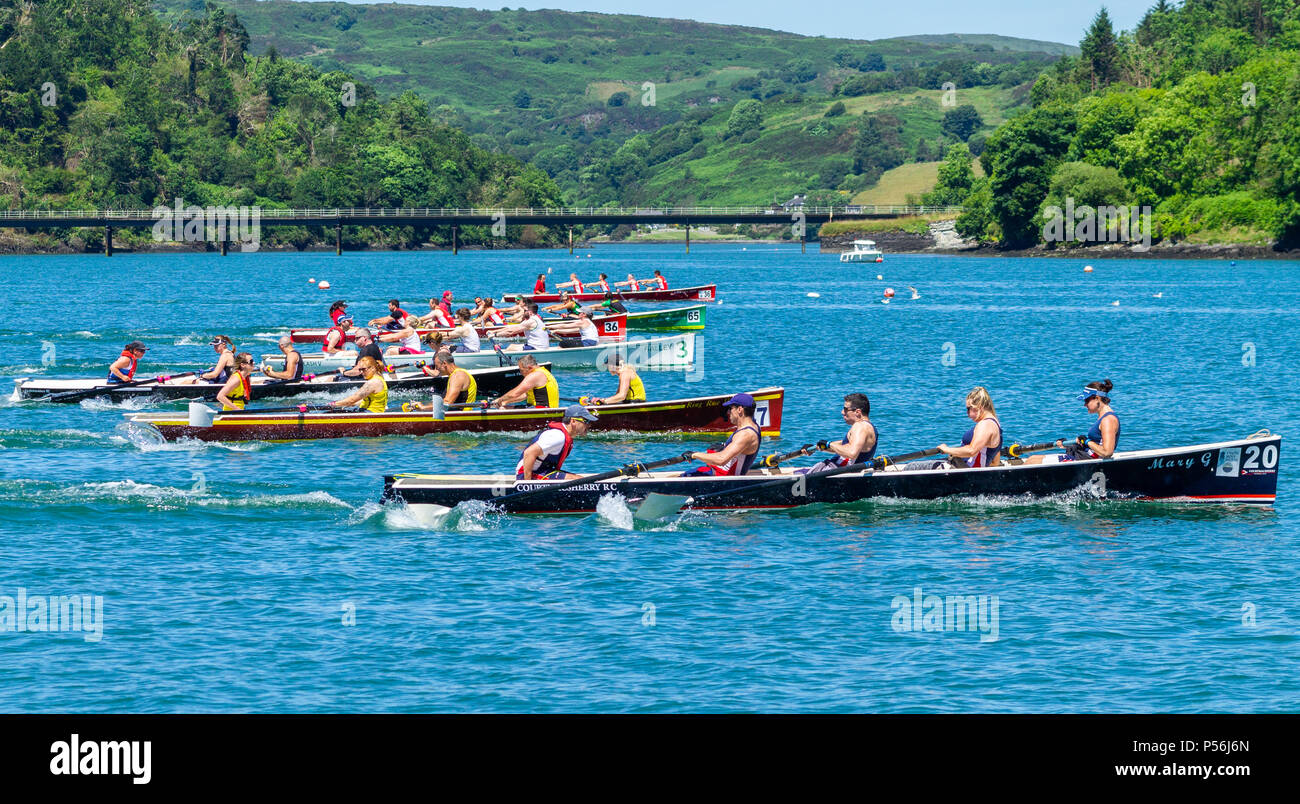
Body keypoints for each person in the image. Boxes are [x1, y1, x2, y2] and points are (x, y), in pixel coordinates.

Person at [1027, 380, 1121, 463]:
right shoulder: (1103, 418)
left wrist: (1087, 441)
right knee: (1032, 458)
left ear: (1097, 398)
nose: (1084, 405)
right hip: (1085, 456)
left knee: (1033, 461)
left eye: (1086, 400)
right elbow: (1093, 444)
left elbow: (1107, 452)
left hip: (1087, 460)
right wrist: (1069, 444)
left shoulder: (1108, 420)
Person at [681, 393, 761, 476]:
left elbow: (721, 460)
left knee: (686, 476)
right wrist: (724, 446)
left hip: (726, 479)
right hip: (721, 471)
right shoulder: (754, 426)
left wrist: (694, 455)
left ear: (739, 409)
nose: (728, 412)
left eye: (731, 408)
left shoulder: (745, 434)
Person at [798, 393, 878, 473]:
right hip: (838, 469)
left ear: (857, 412)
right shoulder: (869, 427)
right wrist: (817, 447)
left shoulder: (860, 426)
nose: (842, 412)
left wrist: (830, 444)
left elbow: (851, 453)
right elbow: (845, 445)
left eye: (846, 409)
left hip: (834, 471)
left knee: (799, 474)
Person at [515, 404, 599, 480]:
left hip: (542, 471)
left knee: (580, 480)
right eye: (586, 421)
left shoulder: (563, 436)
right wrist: (527, 484)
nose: (589, 425)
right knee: (578, 480)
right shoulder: (557, 436)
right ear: (573, 421)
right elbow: (528, 453)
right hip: (528, 475)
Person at [936, 386, 1002, 468]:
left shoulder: (985, 425)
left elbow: (972, 451)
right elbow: (995, 462)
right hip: (961, 466)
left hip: (965, 470)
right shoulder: (996, 424)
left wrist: (947, 449)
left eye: (968, 409)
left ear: (979, 407)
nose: (967, 414)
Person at [410, 350, 477, 409]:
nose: (436, 369)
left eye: (436, 366)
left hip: (461, 417)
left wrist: (423, 407)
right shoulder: (457, 373)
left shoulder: (458, 376)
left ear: (444, 364)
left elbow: (447, 402)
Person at [493, 354, 558, 408]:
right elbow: (525, 395)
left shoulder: (535, 375)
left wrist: (500, 399)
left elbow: (514, 393)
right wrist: (505, 401)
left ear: (530, 368)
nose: (521, 373)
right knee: (505, 407)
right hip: (541, 409)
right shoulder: (544, 372)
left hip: (542, 411)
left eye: (521, 370)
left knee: (503, 410)